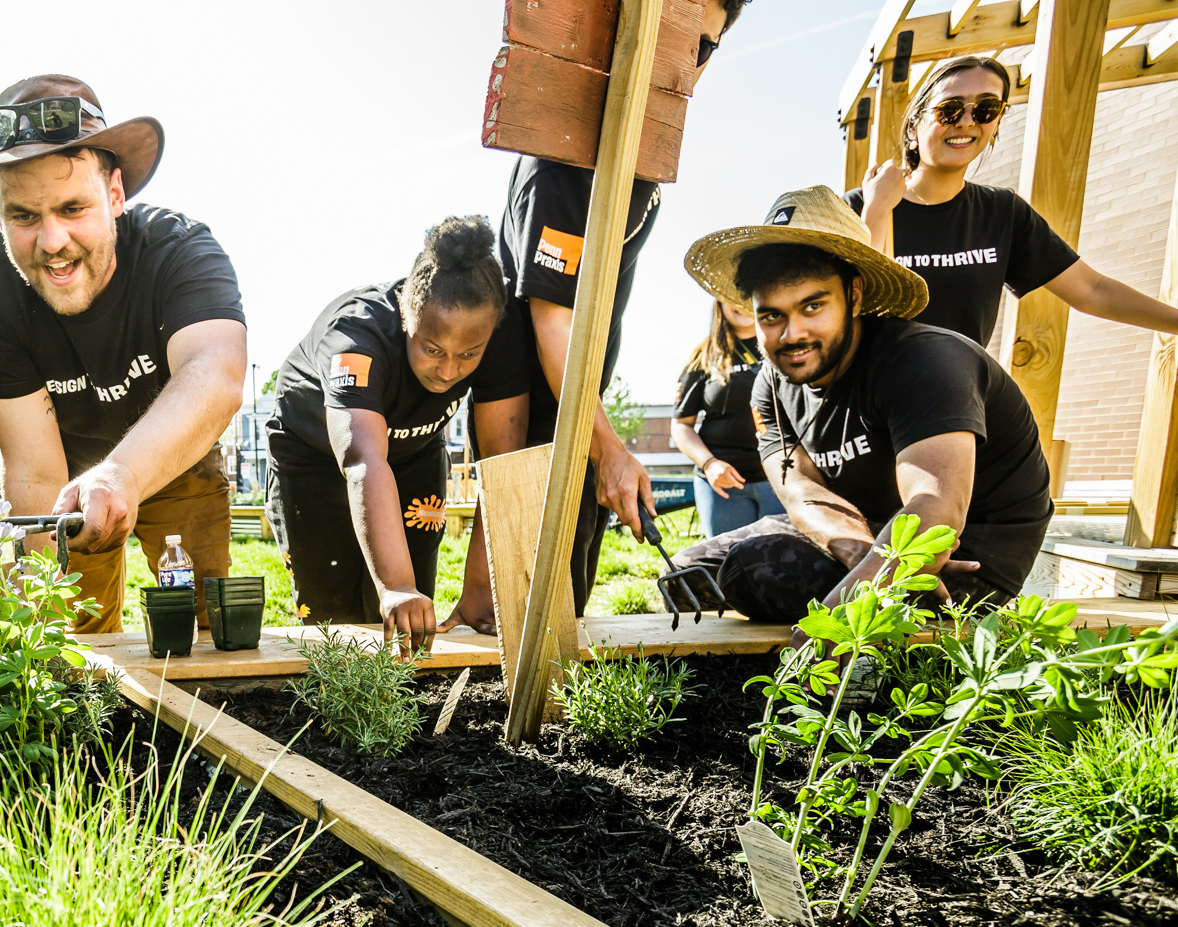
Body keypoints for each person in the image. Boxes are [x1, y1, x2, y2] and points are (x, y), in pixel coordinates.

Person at [445, 0, 755, 632]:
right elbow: (553, 325)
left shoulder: (640, 155)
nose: (687, 65)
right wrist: (610, 449)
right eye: (673, 41)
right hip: (535, 419)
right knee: (526, 618)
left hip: (574, 407)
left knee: (566, 604)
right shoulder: (565, 162)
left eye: (703, 49)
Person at [0, 74, 247, 633]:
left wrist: (122, 475)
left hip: (177, 456)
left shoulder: (180, 252)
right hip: (64, 479)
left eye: (72, 207)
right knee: (69, 640)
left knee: (209, 630)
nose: (53, 241)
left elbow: (218, 373)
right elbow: (34, 467)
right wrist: (34, 616)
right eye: (24, 216)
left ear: (114, 195)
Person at [671, 187, 1051, 626]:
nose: (791, 333)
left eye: (813, 305)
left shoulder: (925, 361)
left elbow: (937, 511)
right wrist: (857, 551)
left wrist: (842, 610)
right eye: (771, 315)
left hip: (968, 555)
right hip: (864, 529)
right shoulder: (771, 385)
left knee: (757, 571)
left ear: (854, 295)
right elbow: (800, 490)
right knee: (687, 575)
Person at [265, 217, 528, 652]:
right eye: (432, 349)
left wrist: (482, 586)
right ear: (407, 313)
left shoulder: (501, 330)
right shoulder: (355, 337)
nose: (448, 371)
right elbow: (362, 460)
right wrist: (397, 584)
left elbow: (501, 466)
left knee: (411, 619)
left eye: (468, 355)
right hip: (316, 455)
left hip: (415, 453)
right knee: (334, 616)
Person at [852, 55, 1178, 348]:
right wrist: (877, 211)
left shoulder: (1002, 212)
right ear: (914, 126)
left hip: (956, 400)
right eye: (950, 109)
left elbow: (1091, 290)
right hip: (871, 406)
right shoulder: (857, 207)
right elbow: (855, 310)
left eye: (986, 109)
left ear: (995, 124)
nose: (967, 121)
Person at [672, 298, 782, 536]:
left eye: (745, 296)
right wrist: (710, 464)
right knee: (729, 567)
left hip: (782, 481)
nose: (739, 303)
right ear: (719, 304)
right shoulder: (703, 356)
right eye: (730, 296)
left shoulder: (783, 345)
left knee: (784, 566)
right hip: (723, 487)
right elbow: (681, 425)